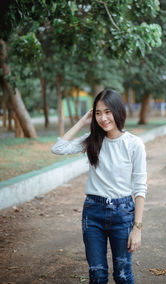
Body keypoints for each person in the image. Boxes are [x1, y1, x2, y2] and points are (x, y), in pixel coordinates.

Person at [51, 89, 147, 284]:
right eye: (98, 113)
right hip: (93, 213)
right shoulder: (92, 140)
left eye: (108, 111)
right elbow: (58, 148)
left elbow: (140, 188)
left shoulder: (134, 144)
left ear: (118, 111)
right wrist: (82, 121)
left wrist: (137, 227)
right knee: (97, 274)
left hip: (122, 215)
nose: (103, 118)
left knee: (122, 274)